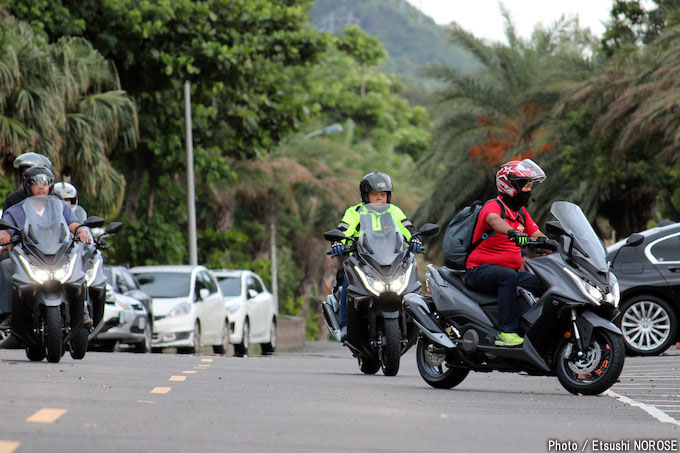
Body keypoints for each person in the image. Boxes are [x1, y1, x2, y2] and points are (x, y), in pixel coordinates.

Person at [463, 159, 548, 347]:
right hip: (478, 271)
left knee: (548, 282)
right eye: (524, 185)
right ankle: (507, 332)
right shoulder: (494, 206)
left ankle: (541, 330)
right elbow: (493, 220)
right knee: (507, 276)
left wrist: (562, 244)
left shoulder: (522, 213)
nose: (528, 190)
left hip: (510, 274)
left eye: (530, 186)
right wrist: (512, 231)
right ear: (509, 185)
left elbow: (537, 234)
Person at [329, 172, 423, 339]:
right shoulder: (355, 212)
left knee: (412, 280)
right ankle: (344, 325)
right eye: (375, 194)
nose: (380, 198)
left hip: (392, 258)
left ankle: (417, 322)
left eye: (383, 194)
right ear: (366, 196)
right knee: (347, 282)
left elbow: (407, 228)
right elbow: (344, 229)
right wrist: (338, 242)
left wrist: (415, 239)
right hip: (362, 259)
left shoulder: (394, 211)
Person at [0, 166, 92, 328]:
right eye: (36, 182)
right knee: (6, 266)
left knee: (78, 263)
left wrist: (81, 231)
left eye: (45, 182)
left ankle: (82, 309)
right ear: (28, 185)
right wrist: (4, 234)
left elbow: (73, 223)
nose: (41, 186)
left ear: (50, 185)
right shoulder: (16, 210)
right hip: (29, 255)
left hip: (58, 253)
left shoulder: (60, 206)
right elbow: (6, 228)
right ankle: (10, 314)